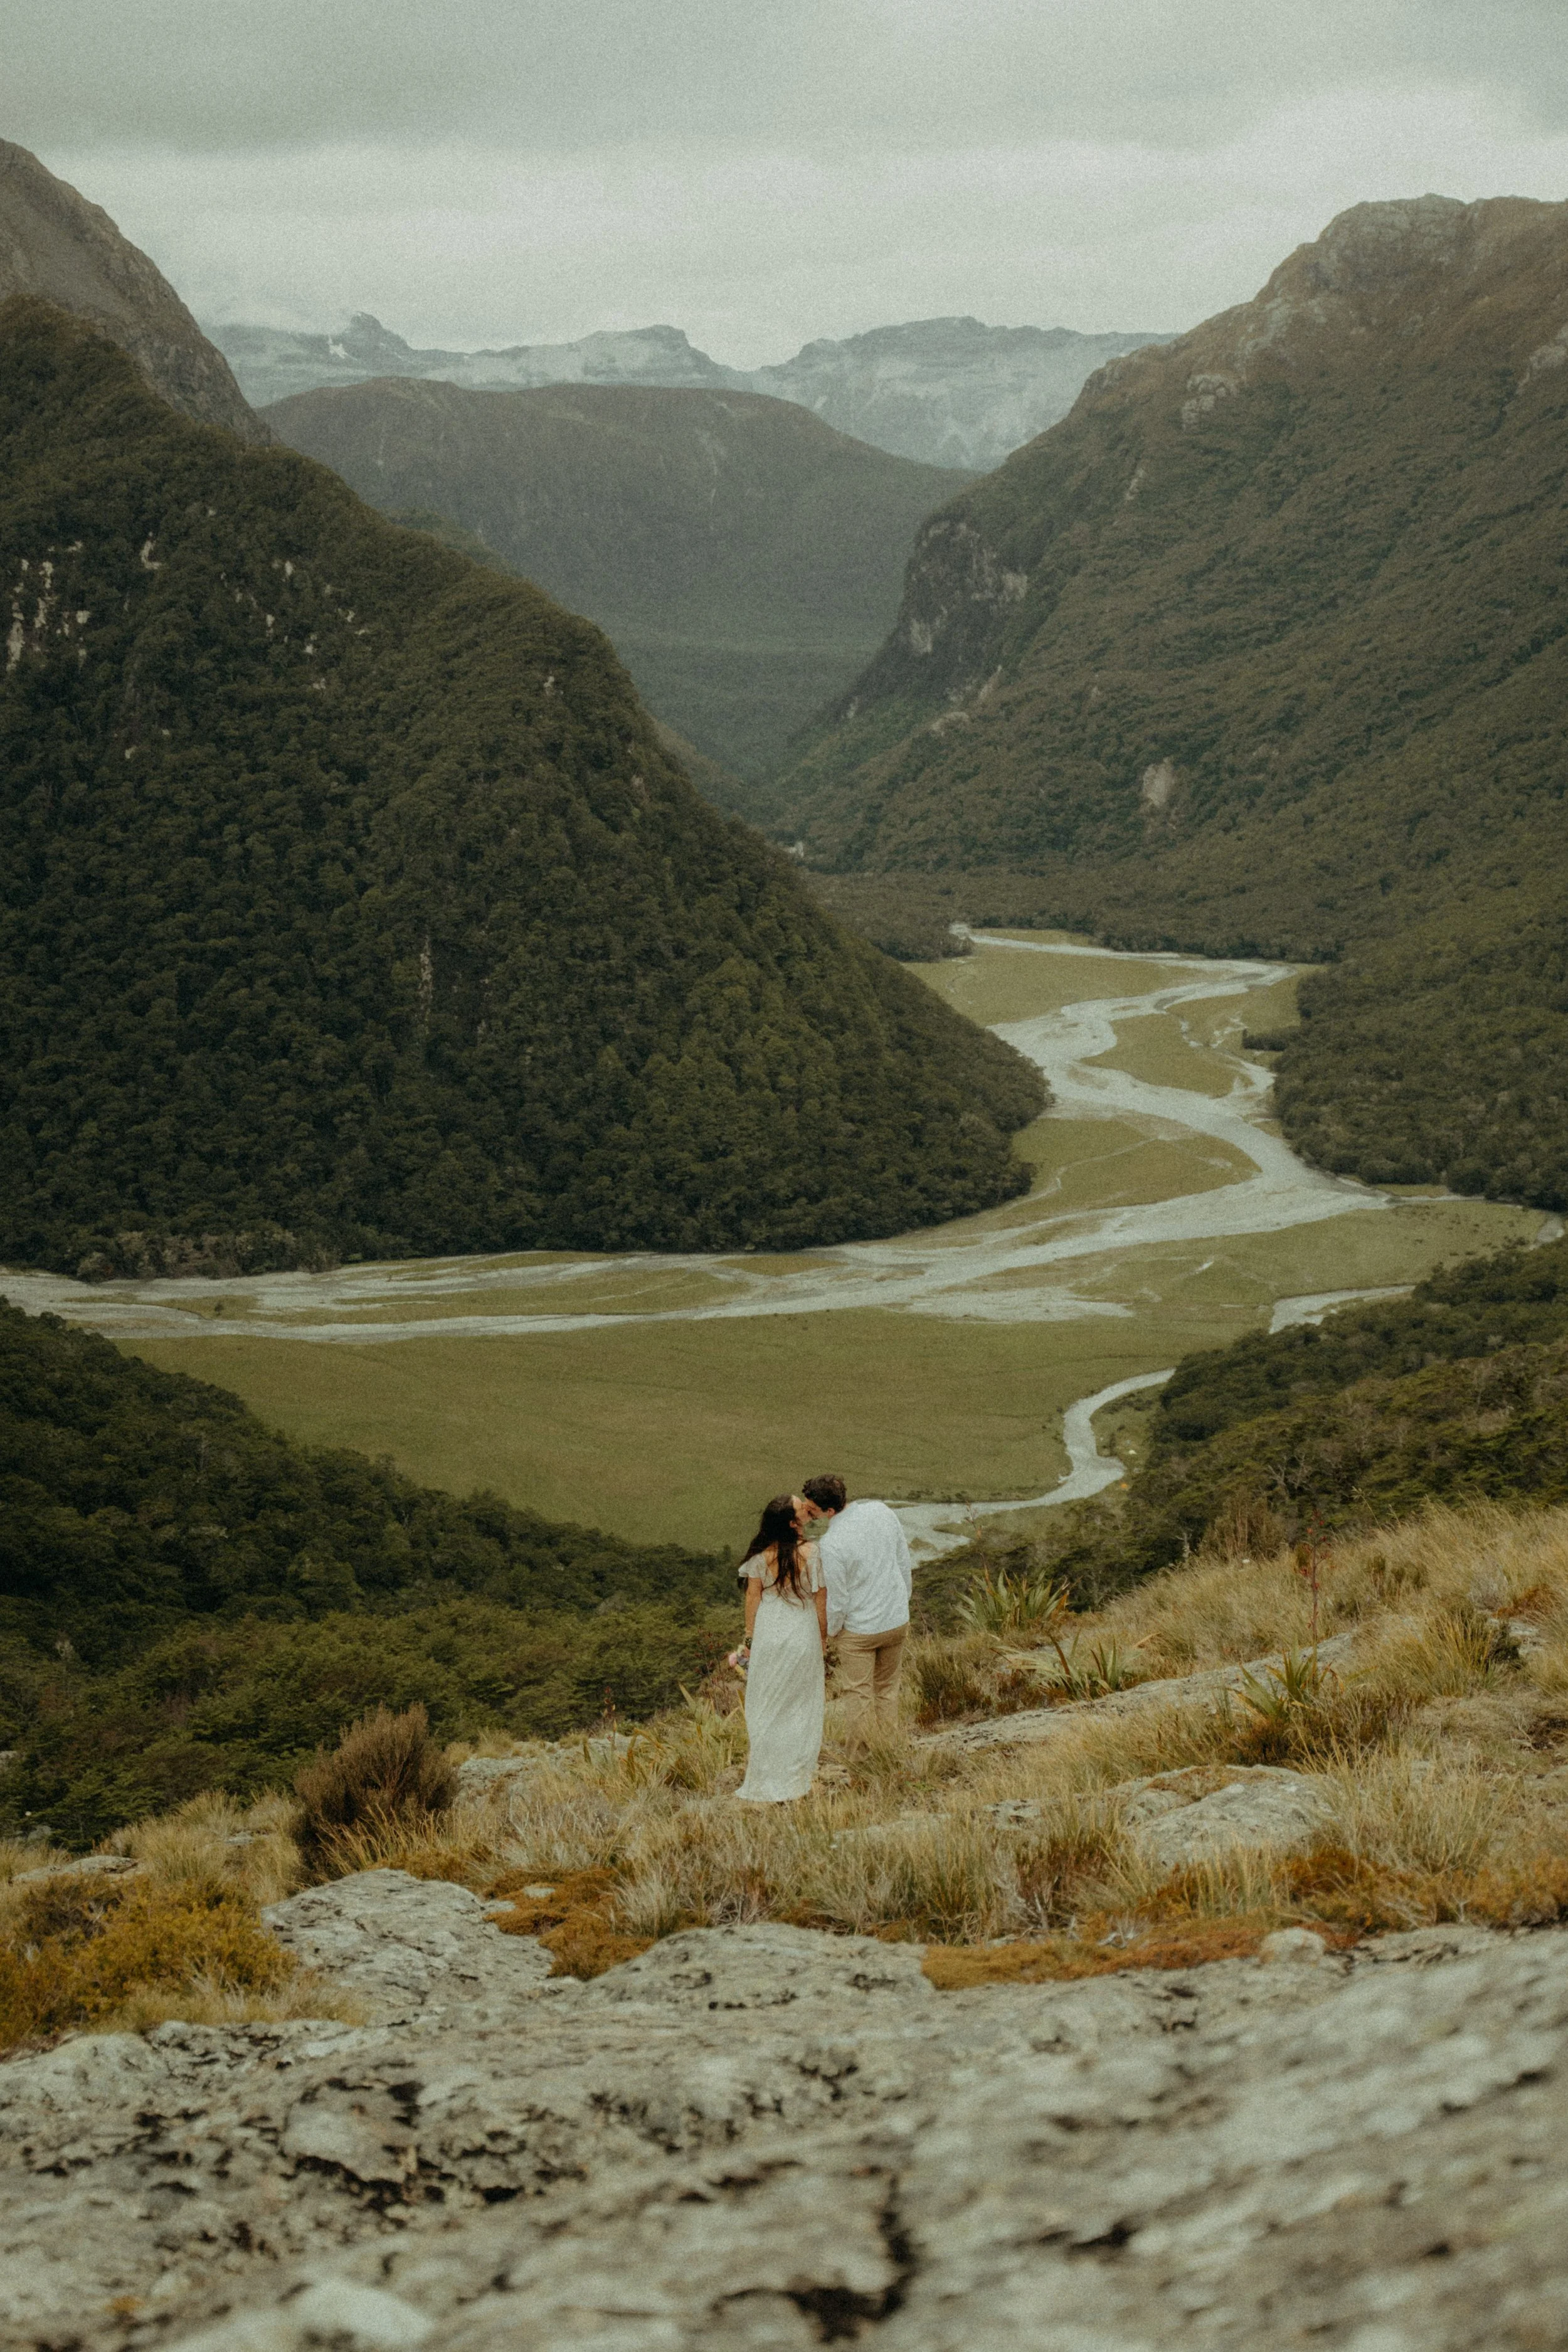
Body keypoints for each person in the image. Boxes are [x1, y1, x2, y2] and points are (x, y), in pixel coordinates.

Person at [799, 1474, 913, 1739]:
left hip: (860, 1632)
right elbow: (903, 1561)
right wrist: (901, 1602)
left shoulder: (831, 1543)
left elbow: (838, 1599)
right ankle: (889, 1751)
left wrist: (833, 1631)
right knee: (887, 1690)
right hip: (896, 1620)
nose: (809, 1512)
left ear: (829, 1511)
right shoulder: (881, 1511)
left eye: (812, 1508)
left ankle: (861, 1764)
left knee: (858, 1696)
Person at [734, 1493, 829, 1803]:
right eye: (799, 1505)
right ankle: (795, 1771)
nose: (804, 1504)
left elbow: (753, 1600)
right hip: (802, 1632)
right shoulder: (813, 1554)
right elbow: (820, 1600)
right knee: (801, 1702)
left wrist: (750, 1640)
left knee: (767, 1700)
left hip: (769, 1633)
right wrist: (823, 1638)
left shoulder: (761, 1559)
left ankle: (766, 1768)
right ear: (792, 1523)